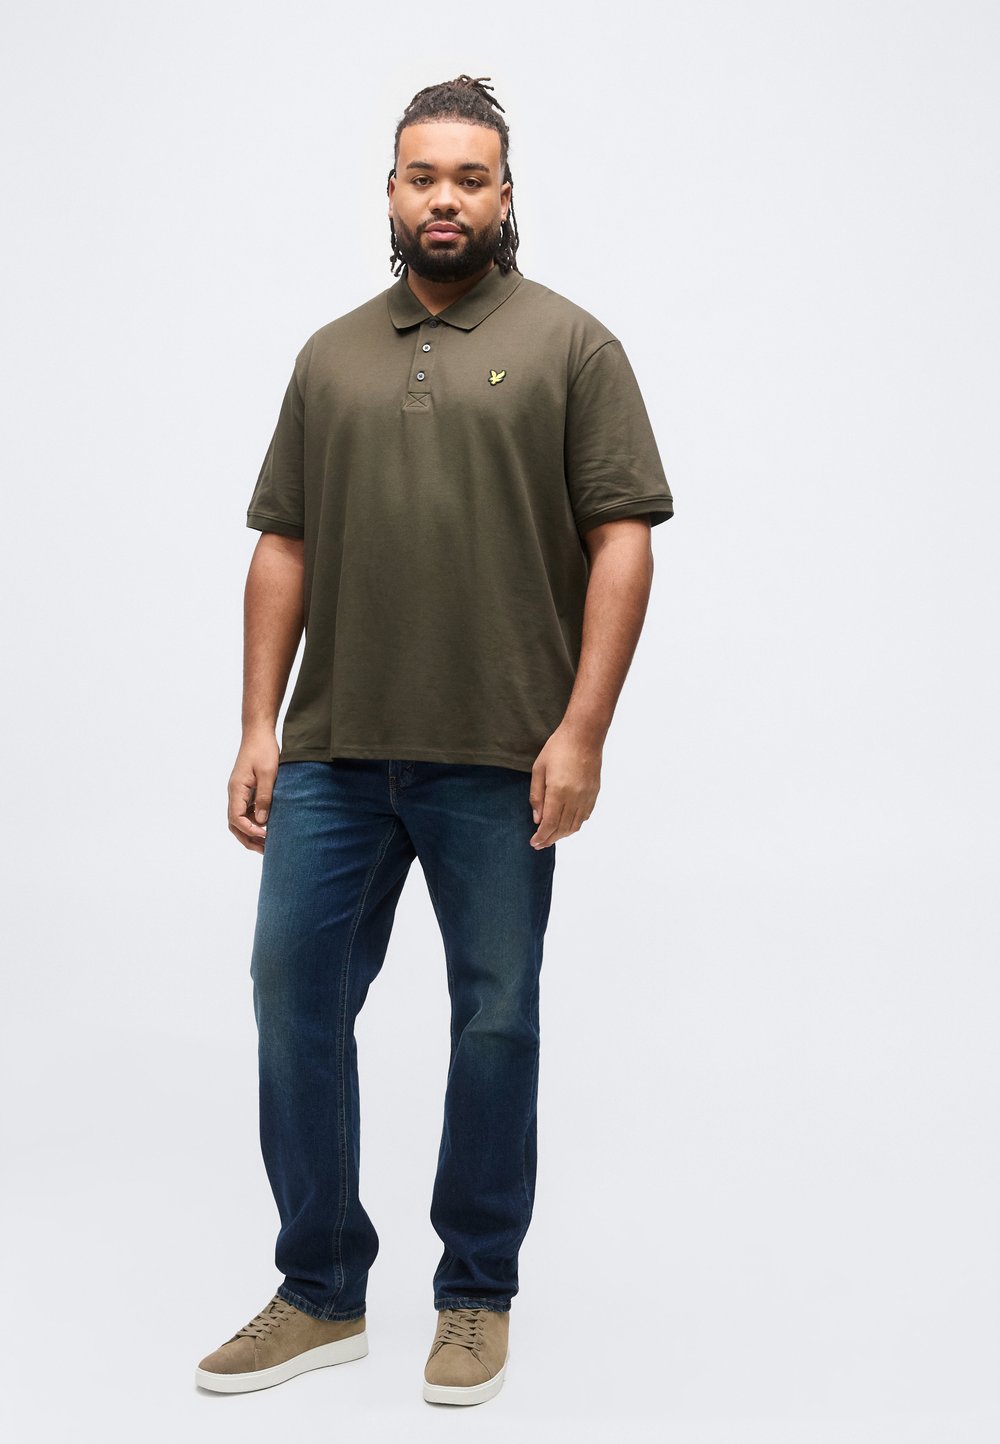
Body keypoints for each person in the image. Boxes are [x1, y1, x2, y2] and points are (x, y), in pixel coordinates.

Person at [195, 74, 673, 1407]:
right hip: (334, 753)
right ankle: (319, 1289)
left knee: (496, 1020)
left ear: (506, 194)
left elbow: (623, 542)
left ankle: (475, 1295)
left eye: (470, 177)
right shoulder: (331, 356)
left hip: (500, 755)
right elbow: (283, 544)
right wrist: (257, 725)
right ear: (392, 192)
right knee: (292, 996)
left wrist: (582, 731)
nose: (445, 199)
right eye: (423, 177)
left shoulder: (574, 346)